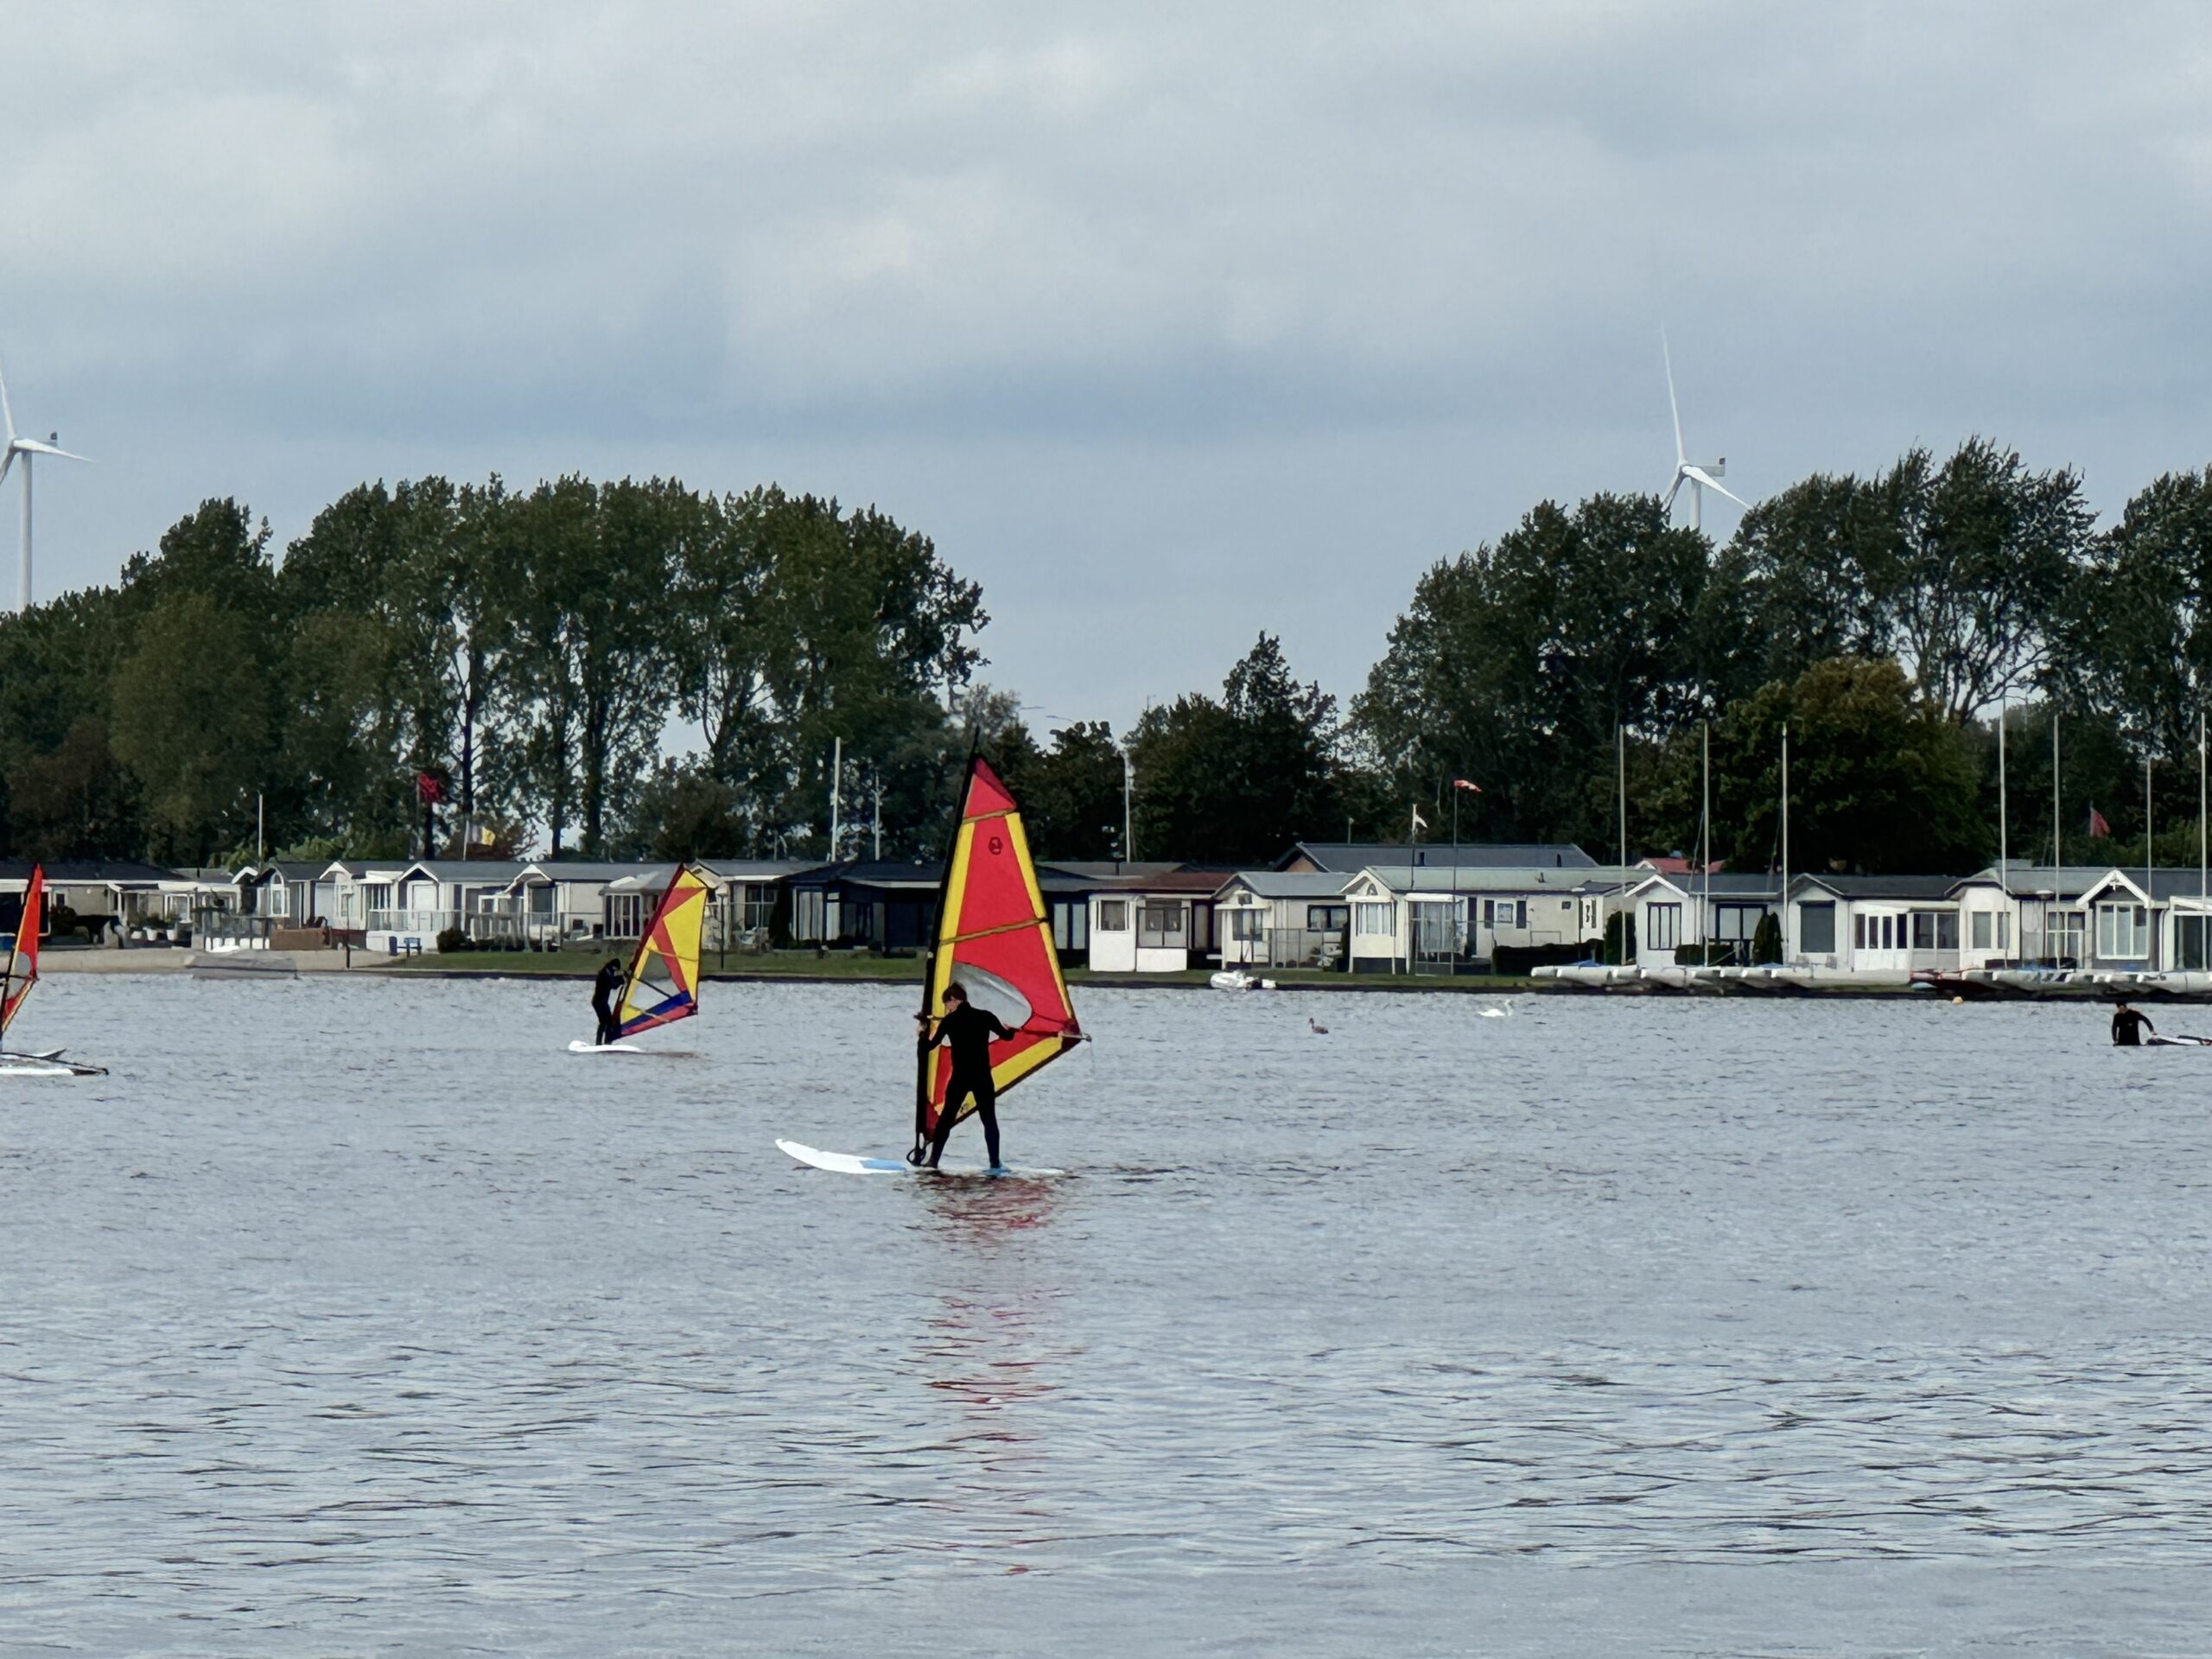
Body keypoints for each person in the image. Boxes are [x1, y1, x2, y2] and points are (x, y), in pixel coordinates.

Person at [914, 983, 1017, 1169]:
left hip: (960, 1077)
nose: (946, 1008)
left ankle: (933, 1161)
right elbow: (1007, 1036)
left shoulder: (950, 1021)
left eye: (947, 1004)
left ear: (954, 1000)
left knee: (945, 1120)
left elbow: (927, 1048)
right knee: (989, 1120)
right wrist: (1013, 1029)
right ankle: (995, 1163)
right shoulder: (985, 1016)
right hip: (982, 1077)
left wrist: (922, 1034)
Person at [591, 956, 625, 1046]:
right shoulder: (604, 974)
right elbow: (613, 985)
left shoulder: (608, 972)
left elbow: (614, 984)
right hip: (598, 1002)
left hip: (603, 1002)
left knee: (608, 1022)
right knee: (604, 1022)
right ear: (612, 966)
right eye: (615, 968)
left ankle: (606, 1042)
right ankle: (599, 1043)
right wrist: (621, 980)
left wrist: (621, 979)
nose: (615, 970)